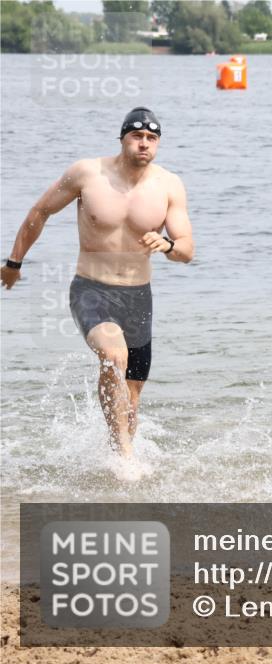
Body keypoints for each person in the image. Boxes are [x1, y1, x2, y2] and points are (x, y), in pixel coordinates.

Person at [1, 107, 193, 474]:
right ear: (122, 138)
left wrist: (167, 245)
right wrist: (13, 263)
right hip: (92, 289)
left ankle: (115, 458)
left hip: (138, 297)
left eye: (151, 139)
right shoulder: (87, 174)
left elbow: (186, 249)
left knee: (132, 399)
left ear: (158, 145)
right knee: (114, 356)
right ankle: (125, 461)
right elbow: (40, 212)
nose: (144, 144)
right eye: (137, 136)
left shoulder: (169, 185)